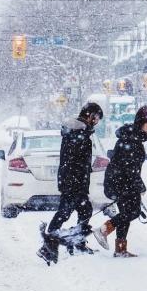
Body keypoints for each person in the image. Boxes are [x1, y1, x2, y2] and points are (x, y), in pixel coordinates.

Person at [39, 103, 104, 261]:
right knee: (65, 212)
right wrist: (77, 181)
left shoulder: (79, 131)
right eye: (96, 118)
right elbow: (74, 161)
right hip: (73, 181)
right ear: (90, 116)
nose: (96, 122)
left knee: (84, 210)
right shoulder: (78, 133)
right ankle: (48, 247)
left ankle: (77, 243)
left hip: (74, 179)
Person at [93, 106, 147, 257]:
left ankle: (120, 249)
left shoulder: (130, 137)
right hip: (123, 182)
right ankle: (103, 230)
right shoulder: (133, 140)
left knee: (126, 212)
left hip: (120, 181)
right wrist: (140, 186)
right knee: (133, 211)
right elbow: (130, 168)